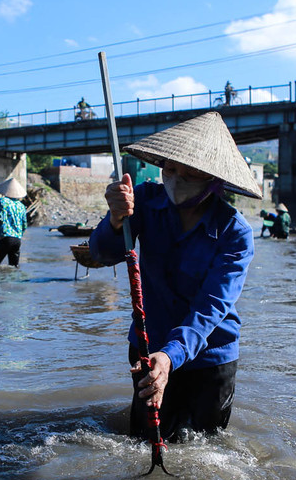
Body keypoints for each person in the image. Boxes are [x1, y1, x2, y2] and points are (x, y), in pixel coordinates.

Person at [89, 111, 261, 442]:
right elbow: (102, 254)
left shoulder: (234, 232)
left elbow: (211, 305)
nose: (176, 178)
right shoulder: (144, 200)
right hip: (147, 343)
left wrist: (171, 355)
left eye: (189, 172)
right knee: (143, 440)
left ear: (214, 179)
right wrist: (114, 219)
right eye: (170, 168)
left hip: (210, 355)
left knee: (204, 449)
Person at [0, 177, 27, 267]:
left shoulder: (3, 201)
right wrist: (18, 234)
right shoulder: (21, 205)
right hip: (17, 239)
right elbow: (24, 224)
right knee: (14, 267)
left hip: (5, 237)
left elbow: (0, 218)